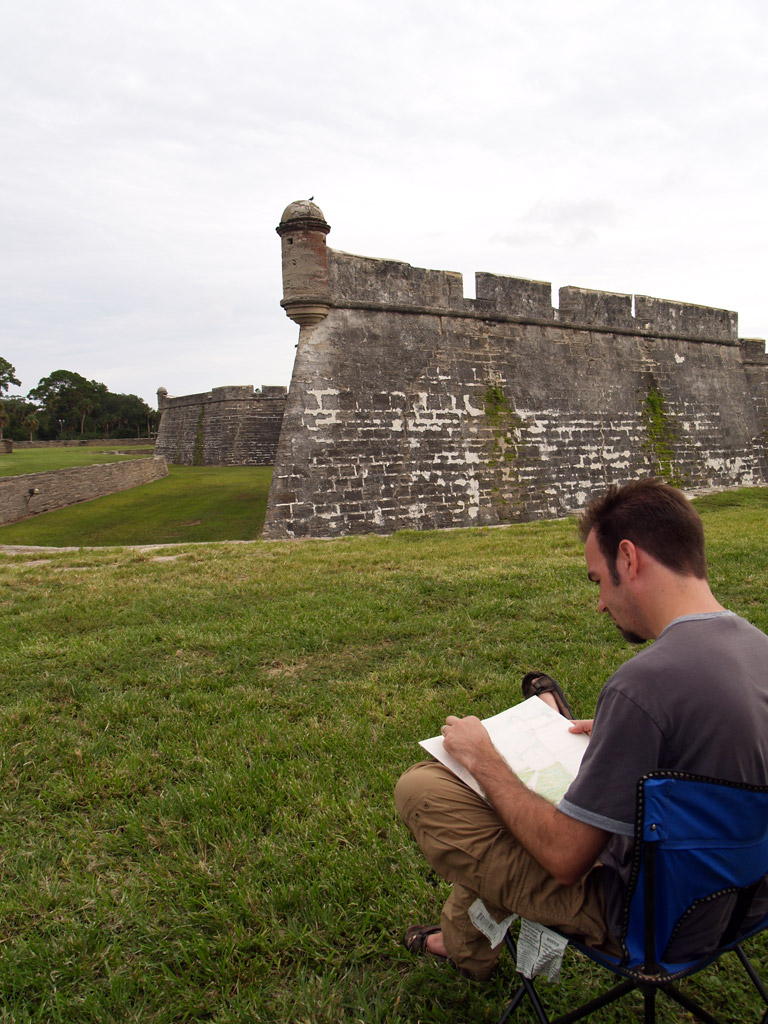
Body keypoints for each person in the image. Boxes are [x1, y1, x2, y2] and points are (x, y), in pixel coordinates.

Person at [394, 479, 768, 980]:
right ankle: (464, 944)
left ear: (629, 560)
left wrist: (483, 756)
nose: (600, 603)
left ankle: (465, 947)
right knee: (522, 796)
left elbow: (564, 859)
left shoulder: (643, 685)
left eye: (598, 581)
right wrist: (631, 743)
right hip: (744, 901)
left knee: (425, 788)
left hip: (648, 922)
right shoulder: (758, 649)